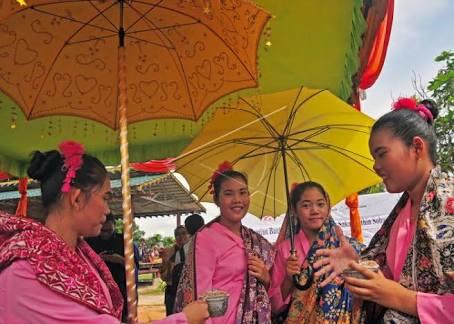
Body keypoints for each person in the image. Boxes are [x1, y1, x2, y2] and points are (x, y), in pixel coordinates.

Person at [313, 98, 454, 323]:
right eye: (374, 157)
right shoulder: (402, 212)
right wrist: (359, 263)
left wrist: (401, 298)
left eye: (382, 153)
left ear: (417, 147)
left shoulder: (449, 204)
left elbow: (397, 291)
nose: (376, 166)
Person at [0, 140, 123, 323]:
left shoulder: (80, 255)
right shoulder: (28, 269)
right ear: (77, 198)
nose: (107, 210)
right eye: (105, 198)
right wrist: (181, 319)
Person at [174, 162, 275, 323]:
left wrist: (266, 277)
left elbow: (271, 293)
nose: (238, 200)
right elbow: (199, 296)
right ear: (216, 199)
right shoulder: (206, 238)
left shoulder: (254, 240)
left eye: (243, 192)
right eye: (229, 194)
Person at [269, 181, 363, 323]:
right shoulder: (284, 249)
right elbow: (274, 307)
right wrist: (289, 279)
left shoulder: (345, 246)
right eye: (306, 205)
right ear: (294, 210)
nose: (314, 211)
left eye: (320, 204)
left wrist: (354, 265)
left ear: (328, 207)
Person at [86, 213, 140, 323]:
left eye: (109, 230)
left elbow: (135, 270)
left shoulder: (126, 242)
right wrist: (97, 260)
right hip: (98, 291)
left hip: (123, 290)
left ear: (115, 226)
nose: (105, 234)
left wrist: (121, 260)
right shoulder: (89, 242)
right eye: (102, 230)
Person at [161, 225, 190, 315]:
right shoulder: (169, 252)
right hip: (172, 291)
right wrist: (169, 266)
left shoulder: (194, 249)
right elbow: (163, 277)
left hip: (188, 293)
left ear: (189, 235)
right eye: (177, 234)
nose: (181, 236)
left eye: (184, 233)